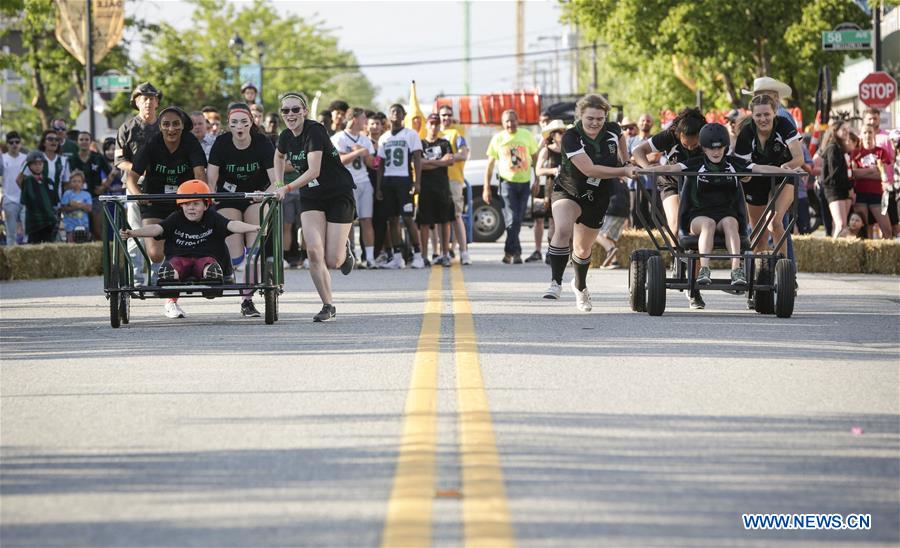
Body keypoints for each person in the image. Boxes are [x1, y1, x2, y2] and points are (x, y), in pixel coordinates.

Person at [647, 123, 801, 301]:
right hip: (699, 217)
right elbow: (671, 168)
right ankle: (704, 269)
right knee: (708, 224)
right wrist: (646, 170)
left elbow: (760, 168)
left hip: (726, 216)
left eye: (720, 148)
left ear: (725, 147)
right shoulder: (696, 164)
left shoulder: (733, 164)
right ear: (703, 148)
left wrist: (785, 171)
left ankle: (736, 270)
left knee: (731, 223)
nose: (716, 152)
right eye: (711, 148)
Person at [119, 180, 261, 319]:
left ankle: (211, 277)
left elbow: (232, 225)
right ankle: (170, 299)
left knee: (209, 266)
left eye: (196, 203)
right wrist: (133, 233)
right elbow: (157, 229)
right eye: (186, 204)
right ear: (180, 205)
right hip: (180, 258)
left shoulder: (212, 217)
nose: (191, 207)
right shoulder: (176, 217)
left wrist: (254, 228)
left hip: (206, 258)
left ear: (206, 205)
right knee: (172, 268)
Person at [543, 94, 634, 311]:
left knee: (583, 249)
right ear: (580, 116)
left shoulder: (612, 129)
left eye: (599, 119)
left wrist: (626, 158)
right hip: (569, 190)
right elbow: (589, 169)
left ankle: (580, 286)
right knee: (563, 229)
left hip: (598, 195)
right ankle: (555, 282)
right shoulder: (571, 137)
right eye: (590, 118)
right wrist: (624, 170)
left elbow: (621, 136)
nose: (595, 123)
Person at [274, 91, 356, 322]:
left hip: (338, 193)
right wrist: (279, 182)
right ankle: (327, 305)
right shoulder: (285, 136)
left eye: (295, 109)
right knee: (313, 251)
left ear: (304, 111)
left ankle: (344, 246)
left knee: (333, 261)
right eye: (285, 110)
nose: (290, 114)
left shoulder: (315, 130)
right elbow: (278, 157)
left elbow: (313, 171)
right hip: (312, 196)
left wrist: (286, 189)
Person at [127, 105, 207, 314]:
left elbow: (200, 174)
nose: (171, 129)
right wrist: (139, 196)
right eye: (166, 124)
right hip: (154, 200)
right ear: (160, 127)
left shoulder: (190, 142)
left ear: (183, 126)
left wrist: (199, 198)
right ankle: (162, 276)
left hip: (183, 201)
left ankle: (171, 296)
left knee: (177, 249)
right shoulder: (152, 143)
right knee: (155, 253)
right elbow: (132, 178)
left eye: (176, 124)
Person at [208, 102, 277, 317]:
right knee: (237, 257)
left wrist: (266, 194)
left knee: (253, 248)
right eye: (235, 122)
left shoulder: (262, 142)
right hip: (228, 198)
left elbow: (277, 180)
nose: (239, 126)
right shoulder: (221, 142)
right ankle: (242, 274)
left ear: (251, 123)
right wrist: (212, 199)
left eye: (244, 122)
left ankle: (247, 300)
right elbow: (212, 178)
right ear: (228, 124)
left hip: (255, 197)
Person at [733, 94, 804, 252]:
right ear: (752, 115)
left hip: (782, 178)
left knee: (774, 222)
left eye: (766, 114)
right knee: (759, 236)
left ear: (774, 113)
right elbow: (742, 169)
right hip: (755, 183)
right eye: (758, 115)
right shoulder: (746, 133)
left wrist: (787, 165)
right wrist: (746, 175)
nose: (763, 119)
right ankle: (760, 273)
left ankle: (783, 266)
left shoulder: (784, 124)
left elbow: (799, 158)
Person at [632, 107, 705, 237]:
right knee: (676, 225)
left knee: (696, 226)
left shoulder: (708, 136)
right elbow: (638, 151)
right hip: (671, 183)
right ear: (678, 134)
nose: (690, 148)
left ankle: (696, 257)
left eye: (694, 146)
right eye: (685, 145)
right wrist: (647, 168)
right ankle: (677, 256)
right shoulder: (669, 135)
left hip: (700, 184)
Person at [116, 81, 162, 285]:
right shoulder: (127, 128)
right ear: (136, 102)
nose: (148, 103)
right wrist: (137, 170)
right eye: (144, 99)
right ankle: (137, 278)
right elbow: (119, 161)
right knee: (135, 232)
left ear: (157, 102)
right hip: (135, 185)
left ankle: (157, 276)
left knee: (159, 232)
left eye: (152, 98)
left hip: (160, 184)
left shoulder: (164, 125)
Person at [483, 109, 539, 264]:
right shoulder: (498, 138)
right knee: (512, 218)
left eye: (512, 120)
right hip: (507, 183)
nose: (510, 124)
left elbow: (536, 158)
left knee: (517, 219)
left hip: (525, 182)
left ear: (517, 121)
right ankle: (517, 253)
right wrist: (486, 187)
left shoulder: (526, 135)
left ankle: (509, 252)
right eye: (507, 121)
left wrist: (537, 180)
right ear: (502, 123)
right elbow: (489, 164)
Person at [376, 103, 424, 269]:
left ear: (404, 116)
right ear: (389, 116)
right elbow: (381, 165)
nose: (395, 114)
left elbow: (417, 159)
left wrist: (417, 182)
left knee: (408, 218)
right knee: (392, 219)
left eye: (399, 111)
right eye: (392, 111)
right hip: (388, 181)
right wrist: (378, 187)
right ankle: (397, 257)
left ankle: (418, 254)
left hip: (404, 180)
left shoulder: (411, 135)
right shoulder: (384, 138)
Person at [332, 107, 377, 268]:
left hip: (364, 182)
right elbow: (339, 161)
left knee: (366, 219)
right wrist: (357, 153)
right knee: (348, 221)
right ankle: (351, 256)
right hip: (347, 184)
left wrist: (366, 154)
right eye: (364, 118)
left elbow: (372, 164)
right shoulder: (339, 138)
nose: (365, 122)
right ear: (355, 119)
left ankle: (370, 258)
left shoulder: (364, 139)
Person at [417, 113, 456, 267]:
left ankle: (445, 253)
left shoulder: (445, 143)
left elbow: (450, 161)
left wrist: (429, 163)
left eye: (437, 124)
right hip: (425, 187)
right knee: (424, 222)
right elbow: (419, 163)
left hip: (442, 188)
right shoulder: (420, 144)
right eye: (431, 124)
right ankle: (424, 255)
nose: (434, 127)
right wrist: (440, 162)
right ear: (426, 125)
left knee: (445, 221)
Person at [437, 105, 471, 265]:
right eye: (443, 115)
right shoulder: (433, 132)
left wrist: (449, 158)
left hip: (454, 179)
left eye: (449, 115)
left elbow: (463, 154)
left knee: (456, 215)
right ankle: (440, 251)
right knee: (439, 217)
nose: (446, 118)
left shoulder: (456, 133)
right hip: (436, 180)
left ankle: (464, 252)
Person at [850, 125, 892, 240]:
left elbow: (883, 175)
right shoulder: (855, 153)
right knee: (863, 231)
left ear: (874, 134)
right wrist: (872, 170)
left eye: (870, 132)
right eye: (865, 132)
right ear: (861, 135)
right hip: (860, 194)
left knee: (887, 230)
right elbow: (853, 174)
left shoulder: (881, 152)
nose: (867, 135)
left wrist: (863, 172)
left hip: (877, 195)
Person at [69, 131, 112, 241]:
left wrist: (104, 187)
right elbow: (66, 180)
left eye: (86, 139)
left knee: (97, 231)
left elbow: (111, 173)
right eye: (81, 139)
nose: (84, 142)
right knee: (79, 232)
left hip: (95, 198)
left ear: (91, 142)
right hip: (77, 199)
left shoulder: (98, 157)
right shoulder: (71, 159)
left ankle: (102, 256)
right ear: (77, 142)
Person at [533, 119, 566, 263]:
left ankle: (563, 251)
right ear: (552, 135)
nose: (561, 134)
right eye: (558, 132)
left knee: (565, 223)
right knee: (553, 221)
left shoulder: (569, 149)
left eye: (563, 131)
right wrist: (553, 170)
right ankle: (551, 251)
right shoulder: (547, 150)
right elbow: (538, 170)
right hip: (552, 188)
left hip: (568, 187)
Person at [816, 121, 853, 237]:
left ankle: (839, 249)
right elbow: (834, 173)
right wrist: (849, 186)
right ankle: (834, 251)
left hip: (841, 188)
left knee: (841, 225)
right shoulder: (833, 147)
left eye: (847, 129)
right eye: (843, 130)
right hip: (834, 189)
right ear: (835, 131)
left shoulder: (839, 148)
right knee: (840, 224)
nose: (846, 132)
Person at [19, 150, 58, 244]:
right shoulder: (28, 180)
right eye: (34, 164)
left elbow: (54, 201)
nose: (38, 166)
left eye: (40, 164)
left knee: (48, 249)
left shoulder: (49, 181)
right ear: (29, 166)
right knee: (34, 249)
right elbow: (26, 200)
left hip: (49, 222)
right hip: (35, 223)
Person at [595, 178, 629, 268]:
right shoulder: (623, 182)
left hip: (611, 209)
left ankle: (610, 248)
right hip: (623, 212)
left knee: (594, 232)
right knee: (610, 237)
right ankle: (614, 261)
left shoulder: (607, 178)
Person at [2, 132, 27, 245]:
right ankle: (11, 262)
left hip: (25, 199)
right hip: (9, 200)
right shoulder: (2, 158)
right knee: (11, 235)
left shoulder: (26, 158)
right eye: (11, 142)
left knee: (28, 233)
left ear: (20, 144)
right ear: (7, 144)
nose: (14, 144)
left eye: (17, 142)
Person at [59, 170, 92, 242]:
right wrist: (81, 205)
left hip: (84, 225)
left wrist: (74, 204)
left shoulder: (87, 194)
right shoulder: (67, 194)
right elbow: (63, 208)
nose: (76, 183)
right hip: (70, 227)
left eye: (79, 181)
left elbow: (89, 208)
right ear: (70, 182)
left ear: (83, 183)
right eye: (74, 181)